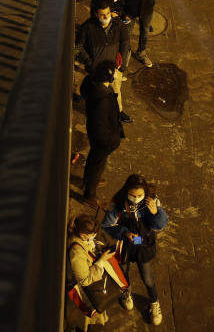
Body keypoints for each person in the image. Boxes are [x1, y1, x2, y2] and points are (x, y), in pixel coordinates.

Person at [102, 174, 169, 327]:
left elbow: (160, 226)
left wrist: (156, 213)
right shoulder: (117, 205)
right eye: (133, 195)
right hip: (125, 245)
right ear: (126, 192)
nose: (136, 198)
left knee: (147, 278)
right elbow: (106, 226)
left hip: (143, 245)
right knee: (123, 273)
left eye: (140, 195)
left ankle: (154, 302)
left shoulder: (152, 202)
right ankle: (127, 293)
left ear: (145, 192)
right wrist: (124, 232)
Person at [76, 0, 131, 113]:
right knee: (97, 96)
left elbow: (125, 41)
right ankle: (97, 113)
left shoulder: (117, 24)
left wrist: (122, 61)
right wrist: (90, 62)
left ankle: (119, 113)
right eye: (102, 15)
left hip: (114, 69)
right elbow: (77, 47)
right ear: (96, 14)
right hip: (96, 71)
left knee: (116, 92)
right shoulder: (88, 27)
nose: (106, 17)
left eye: (108, 13)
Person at [80, 60, 126, 203]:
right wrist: (111, 142)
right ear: (110, 77)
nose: (118, 74)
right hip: (103, 139)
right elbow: (100, 126)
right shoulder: (103, 99)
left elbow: (82, 91)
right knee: (98, 165)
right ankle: (89, 194)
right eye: (116, 72)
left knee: (93, 158)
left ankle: (87, 181)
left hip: (94, 134)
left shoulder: (90, 82)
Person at [65, 214, 115, 330]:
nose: (95, 236)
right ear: (83, 235)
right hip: (87, 295)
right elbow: (85, 280)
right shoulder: (77, 252)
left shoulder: (82, 239)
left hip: (93, 290)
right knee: (85, 322)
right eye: (93, 235)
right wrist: (101, 260)